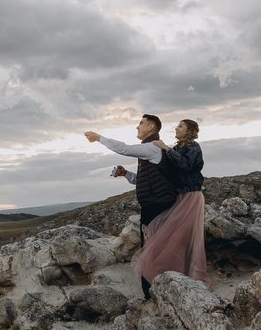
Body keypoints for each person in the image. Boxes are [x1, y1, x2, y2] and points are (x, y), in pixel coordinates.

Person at [84, 114, 177, 298]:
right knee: (153, 248)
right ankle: (158, 289)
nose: (137, 127)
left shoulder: (152, 147)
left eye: (141, 123)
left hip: (156, 206)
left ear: (151, 127)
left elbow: (125, 149)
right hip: (154, 205)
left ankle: (154, 293)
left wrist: (99, 138)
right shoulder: (150, 150)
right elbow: (142, 180)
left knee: (152, 250)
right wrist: (126, 174)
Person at [141, 119, 207, 287]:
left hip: (191, 196)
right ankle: (171, 272)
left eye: (180, 126)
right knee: (173, 237)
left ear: (189, 130)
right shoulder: (176, 149)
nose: (176, 128)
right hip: (178, 196)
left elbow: (185, 165)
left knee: (186, 237)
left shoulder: (194, 148)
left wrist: (166, 148)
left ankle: (192, 276)